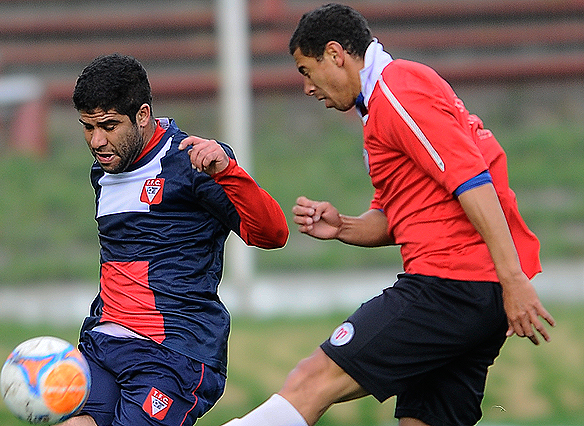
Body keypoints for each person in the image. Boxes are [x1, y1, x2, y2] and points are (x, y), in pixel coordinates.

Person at [221, 4, 555, 426]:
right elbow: (403, 216)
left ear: (336, 54)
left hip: (450, 286)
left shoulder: (397, 90)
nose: (307, 87)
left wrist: (513, 280)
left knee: (312, 379)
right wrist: (344, 226)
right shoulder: (381, 105)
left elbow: (472, 180)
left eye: (307, 71)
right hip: (473, 295)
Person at [64, 53, 288, 426]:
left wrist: (228, 172)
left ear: (142, 115)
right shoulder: (102, 171)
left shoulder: (194, 163)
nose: (97, 141)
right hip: (104, 344)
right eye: (88, 127)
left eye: (108, 125)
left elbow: (273, 233)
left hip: (172, 354)